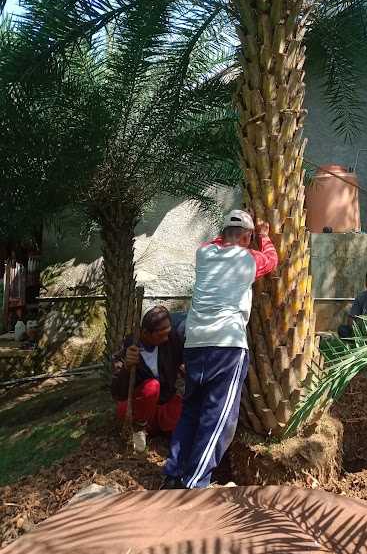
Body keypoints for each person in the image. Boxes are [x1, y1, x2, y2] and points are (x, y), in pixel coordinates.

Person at [161, 209, 278, 490]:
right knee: (218, 418)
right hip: (226, 346)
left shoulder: (204, 253)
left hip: (195, 344)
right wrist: (264, 236)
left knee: (191, 410)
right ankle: (195, 482)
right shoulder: (249, 259)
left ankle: (173, 472)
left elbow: (219, 241)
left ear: (222, 234)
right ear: (247, 237)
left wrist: (238, 234)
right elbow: (272, 260)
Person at [111, 305, 186, 452]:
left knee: (185, 411)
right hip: (137, 409)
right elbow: (117, 392)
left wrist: (184, 366)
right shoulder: (128, 348)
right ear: (145, 333)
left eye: (167, 334)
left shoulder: (171, 341)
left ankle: (159, 429)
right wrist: (126, 367)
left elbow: (182, 361)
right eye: (160, 335)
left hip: (162, 407)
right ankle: (139, 428)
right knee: (152, 386)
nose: (166, 339)